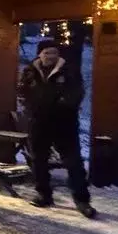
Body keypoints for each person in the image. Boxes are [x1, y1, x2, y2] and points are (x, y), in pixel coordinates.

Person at [17, 38, 96, 218]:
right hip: (39, 122)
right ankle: (43, 194)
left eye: (53, 52)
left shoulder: (68, 71)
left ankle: (82, 200)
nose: (50, 56)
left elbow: (77, 93)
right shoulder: (30, 72)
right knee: (39, 160)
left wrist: (61, 104)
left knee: (73, 162)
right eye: (46, 52)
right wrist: (32, 107)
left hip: (64, 123)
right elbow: (22, 91)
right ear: (40, 54)